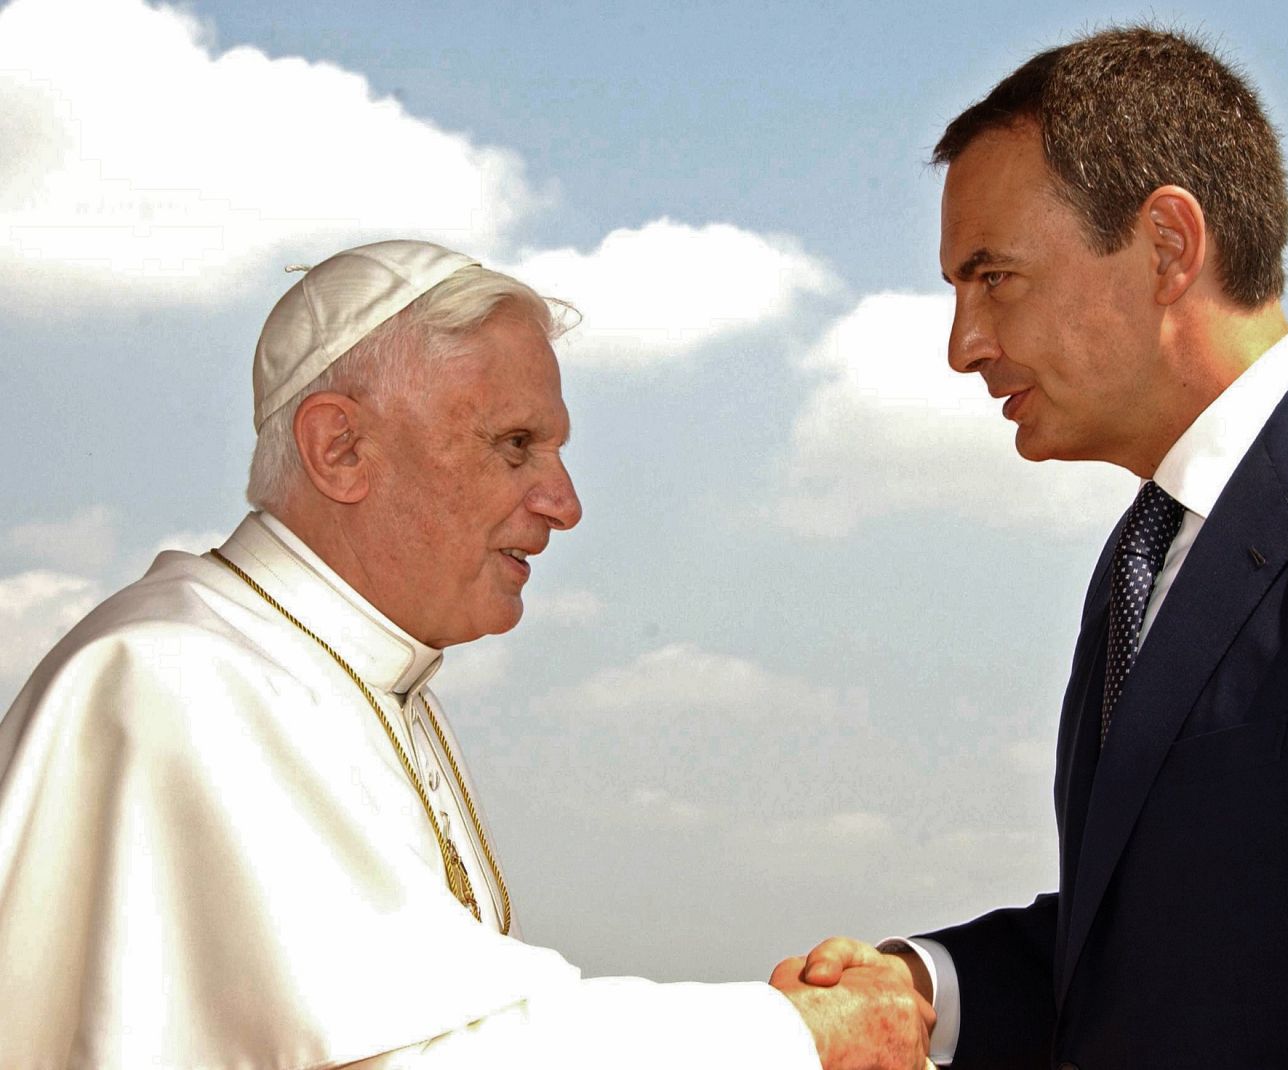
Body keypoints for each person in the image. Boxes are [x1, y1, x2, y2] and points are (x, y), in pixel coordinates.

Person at [788, 25, 1288, 1069]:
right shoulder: (1142, 559)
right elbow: (1173, 957)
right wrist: (924, 989)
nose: (963, 345)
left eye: (993, 278)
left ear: (1168, 245)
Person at [0, 240, 932, 1069]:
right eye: (515, 445)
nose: (564, 503)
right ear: (340, 448)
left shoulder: (342, 675)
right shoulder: (179, 680)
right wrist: (797, 1040)